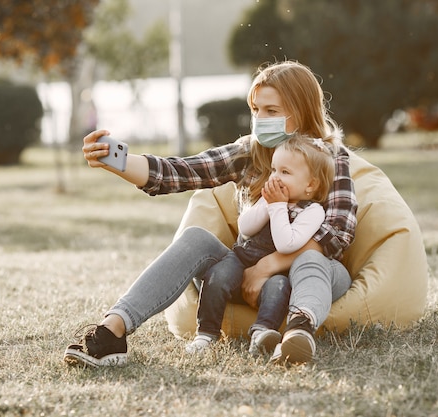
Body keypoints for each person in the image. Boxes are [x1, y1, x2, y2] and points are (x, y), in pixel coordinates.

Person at [63, 60, 357, 367]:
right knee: (195, 239)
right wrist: (118, 162)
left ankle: (299, 333)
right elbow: (181, 171)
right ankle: (113, 331)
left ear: (301, 112)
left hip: (309, 281)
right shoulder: (249, 153)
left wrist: (268, 266)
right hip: (242, 276)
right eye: (256, 110)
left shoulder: (332, 158)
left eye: (271, 111)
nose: (259, 119)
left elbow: (337, 235)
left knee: (313, 258)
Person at [185, 134, 336, 357]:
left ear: (310, 185)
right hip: (243, 256)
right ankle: (206, 332)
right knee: (218, 275)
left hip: (276, 272)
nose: (275, 177)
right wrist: (268, 204)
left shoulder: (313, 211)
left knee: (278, 289)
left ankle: (262, 333)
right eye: (274, 170)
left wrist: (277, 207)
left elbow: (287, 244)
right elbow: (245, 227)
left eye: (285, 172)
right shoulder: (270, 197)